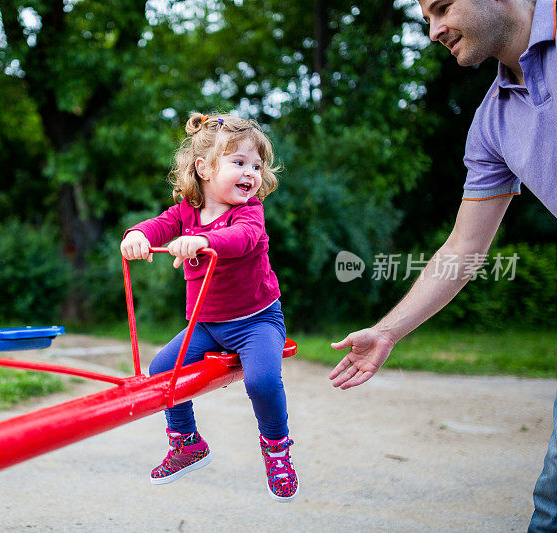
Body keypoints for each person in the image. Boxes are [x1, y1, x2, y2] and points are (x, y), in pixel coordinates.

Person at [328, 0, 557, 529]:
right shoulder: (493, 124)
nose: (434, 30)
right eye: (425, 18)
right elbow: (461, 250)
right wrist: (387, 331)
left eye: (442, 8)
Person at [120, 112, 297, 502]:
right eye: (238, 163)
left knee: (262, 381)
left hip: (257, 321)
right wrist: (135, 235)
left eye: (257, 165)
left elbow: (244, 239)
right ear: (203, 168)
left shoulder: (248, 213)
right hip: (206, 324)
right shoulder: (186, 212)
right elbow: (159, 226)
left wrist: (203, 242)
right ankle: (187, 443)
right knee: (162, 370)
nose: (250, 173)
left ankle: (277, 448)